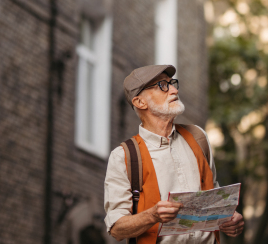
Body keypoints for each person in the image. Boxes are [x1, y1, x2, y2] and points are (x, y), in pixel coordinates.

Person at [104, 65, 244, 243]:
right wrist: (152, 215)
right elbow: (117, 228)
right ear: (140, 102)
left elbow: (213, 199)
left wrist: (228, 218)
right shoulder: (123, 157)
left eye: (172, 83)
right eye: (163, 85)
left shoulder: (198, 137)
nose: (174, 90)